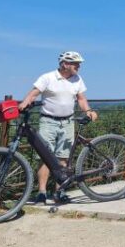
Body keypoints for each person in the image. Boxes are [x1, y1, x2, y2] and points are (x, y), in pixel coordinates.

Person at [17, 51, 98, 205]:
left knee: (63, 158)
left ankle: (59, 192)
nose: (79, 66)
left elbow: (81, 99)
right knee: (44, 157)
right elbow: (34, 93)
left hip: (68, 121)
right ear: (65, 64)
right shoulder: (48, 77)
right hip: (48, 121)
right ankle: (41, 192)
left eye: (79, 64)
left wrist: (88, 111)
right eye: (76, 63)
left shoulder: (77, 79)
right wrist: (24, 103)